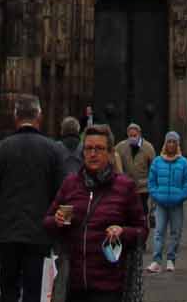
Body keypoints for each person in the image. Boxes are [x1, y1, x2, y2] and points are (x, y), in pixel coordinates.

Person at [0, 95, 66, 302]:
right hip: (39, 233)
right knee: (34, 291)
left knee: (8, 290)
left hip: (7, 233)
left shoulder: (1, 149)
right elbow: (63, 194)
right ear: (39, 116)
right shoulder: (54, 150)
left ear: (15, 117)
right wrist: (62, 236)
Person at [47, 124, 146, 302]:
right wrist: (57, 220)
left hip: (108, 286)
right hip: (73, 284)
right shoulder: (70, 184)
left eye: (99, 148)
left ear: (110, 153)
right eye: (88, 148)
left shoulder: (125, 187)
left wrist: (123, 232)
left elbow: (142, 230)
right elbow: (47, 222)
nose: (93, 154)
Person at [146, 131, 187, 271]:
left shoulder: (184, 162)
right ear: (165, 143)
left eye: (174, 142)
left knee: (175, 232)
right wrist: (156, 195)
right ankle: (156, 261)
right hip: (160, 204)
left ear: (177, 144)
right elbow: (151, 182)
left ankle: (171, 259)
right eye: (169, 141)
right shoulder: (157, 161)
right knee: (158, 232)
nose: (171, 144)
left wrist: (181, 196)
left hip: (176, 204)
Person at [115, 123, 155, 196]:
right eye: (130, 136)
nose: (132, 138)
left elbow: (153, 168)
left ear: (139, 134)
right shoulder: (121, 147)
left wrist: (148, 182)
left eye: (134, 136)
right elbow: (114, 159)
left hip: (143, 189)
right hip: (127, 187)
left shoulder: (148, 147)